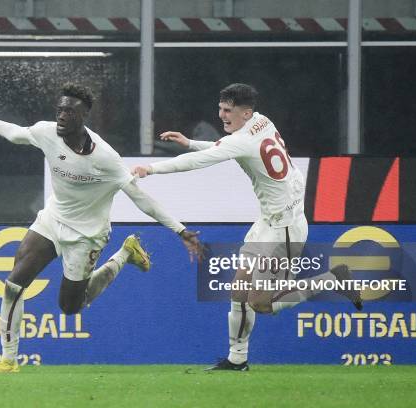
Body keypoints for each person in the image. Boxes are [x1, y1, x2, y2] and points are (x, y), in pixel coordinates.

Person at [0, 83, 201, 374]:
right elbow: (16, 133)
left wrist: (180, 230)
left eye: (69, 111)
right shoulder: (46, 132)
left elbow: (141, 199)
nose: (61, 116)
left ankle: (125, 254)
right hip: (53, 219)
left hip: (86, 236)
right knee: (14, 284)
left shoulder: (106, 158)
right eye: (59, 109)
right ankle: (8, 359)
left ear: (83, 115)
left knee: (71, 306)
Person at [132, 83, 362, 371]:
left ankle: (333, 279)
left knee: (261, 303)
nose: (222, 115)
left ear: (246, 112)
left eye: (228, 111)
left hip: (285, 228)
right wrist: (191, 142)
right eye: (220, 108)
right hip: (269, 220)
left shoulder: (240, 139)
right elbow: (228, 148)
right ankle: (237, 358)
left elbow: (202, 160)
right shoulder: (262, 122)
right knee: (239, 290)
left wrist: (150, 169)